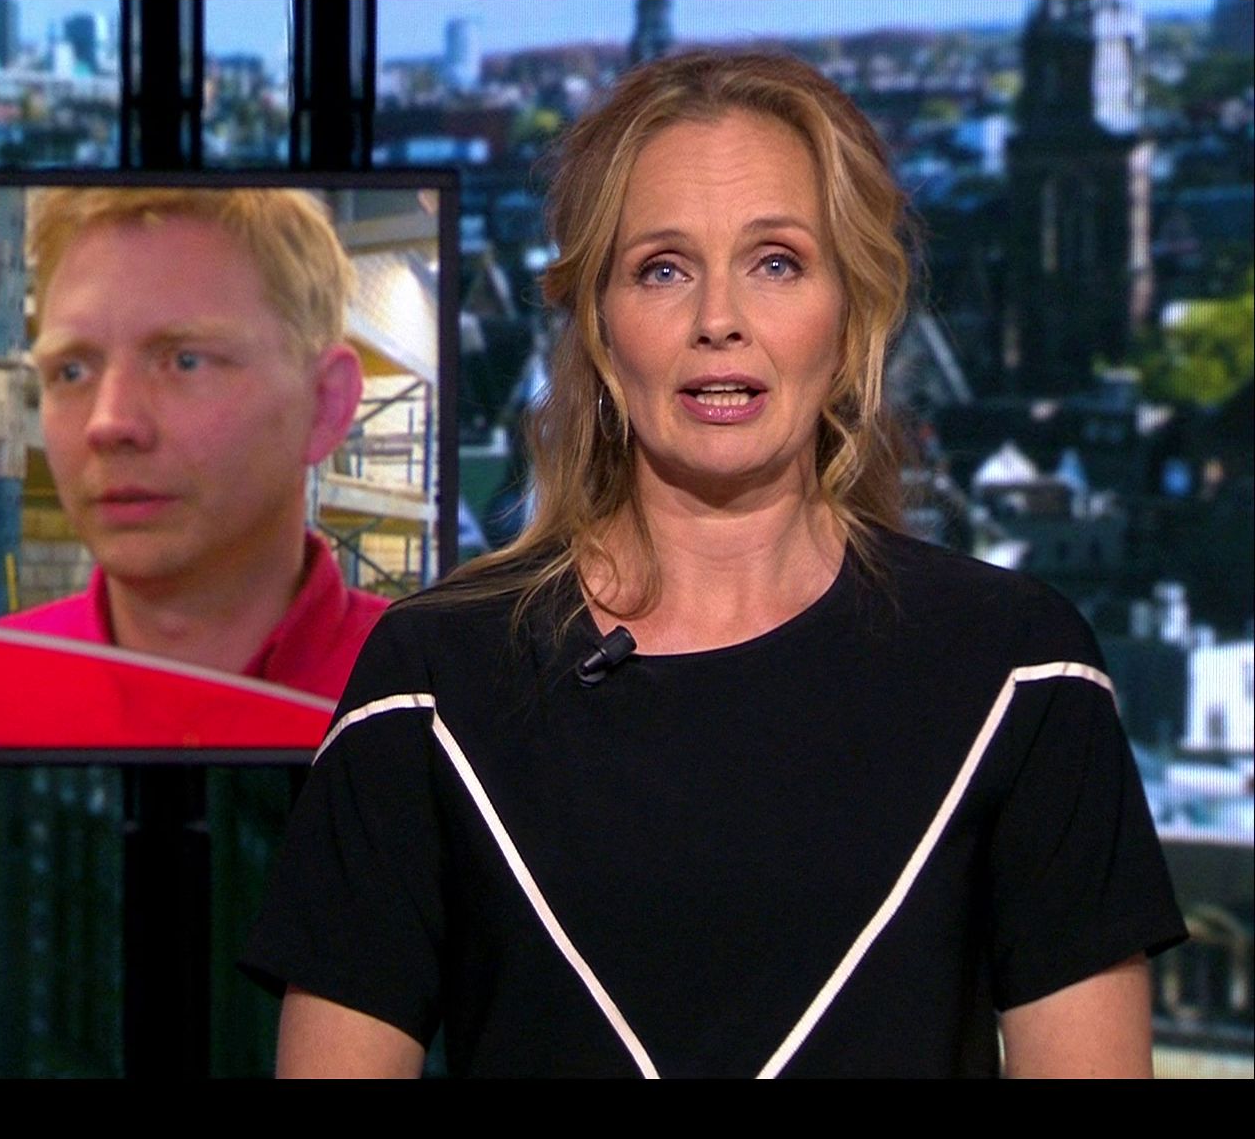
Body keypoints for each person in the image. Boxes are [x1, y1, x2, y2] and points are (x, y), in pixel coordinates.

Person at [242, 52, 1186, 1078]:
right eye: (663, 269)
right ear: (598, 327)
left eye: (776, 262)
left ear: (853, 314)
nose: (717, 319)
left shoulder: (1020, 671)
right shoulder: (428, 683)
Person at [0, 188, 386, 699]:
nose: (109, 423)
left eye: (185, 361)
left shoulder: (440, 697)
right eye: (71, 371)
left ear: (324, 405)